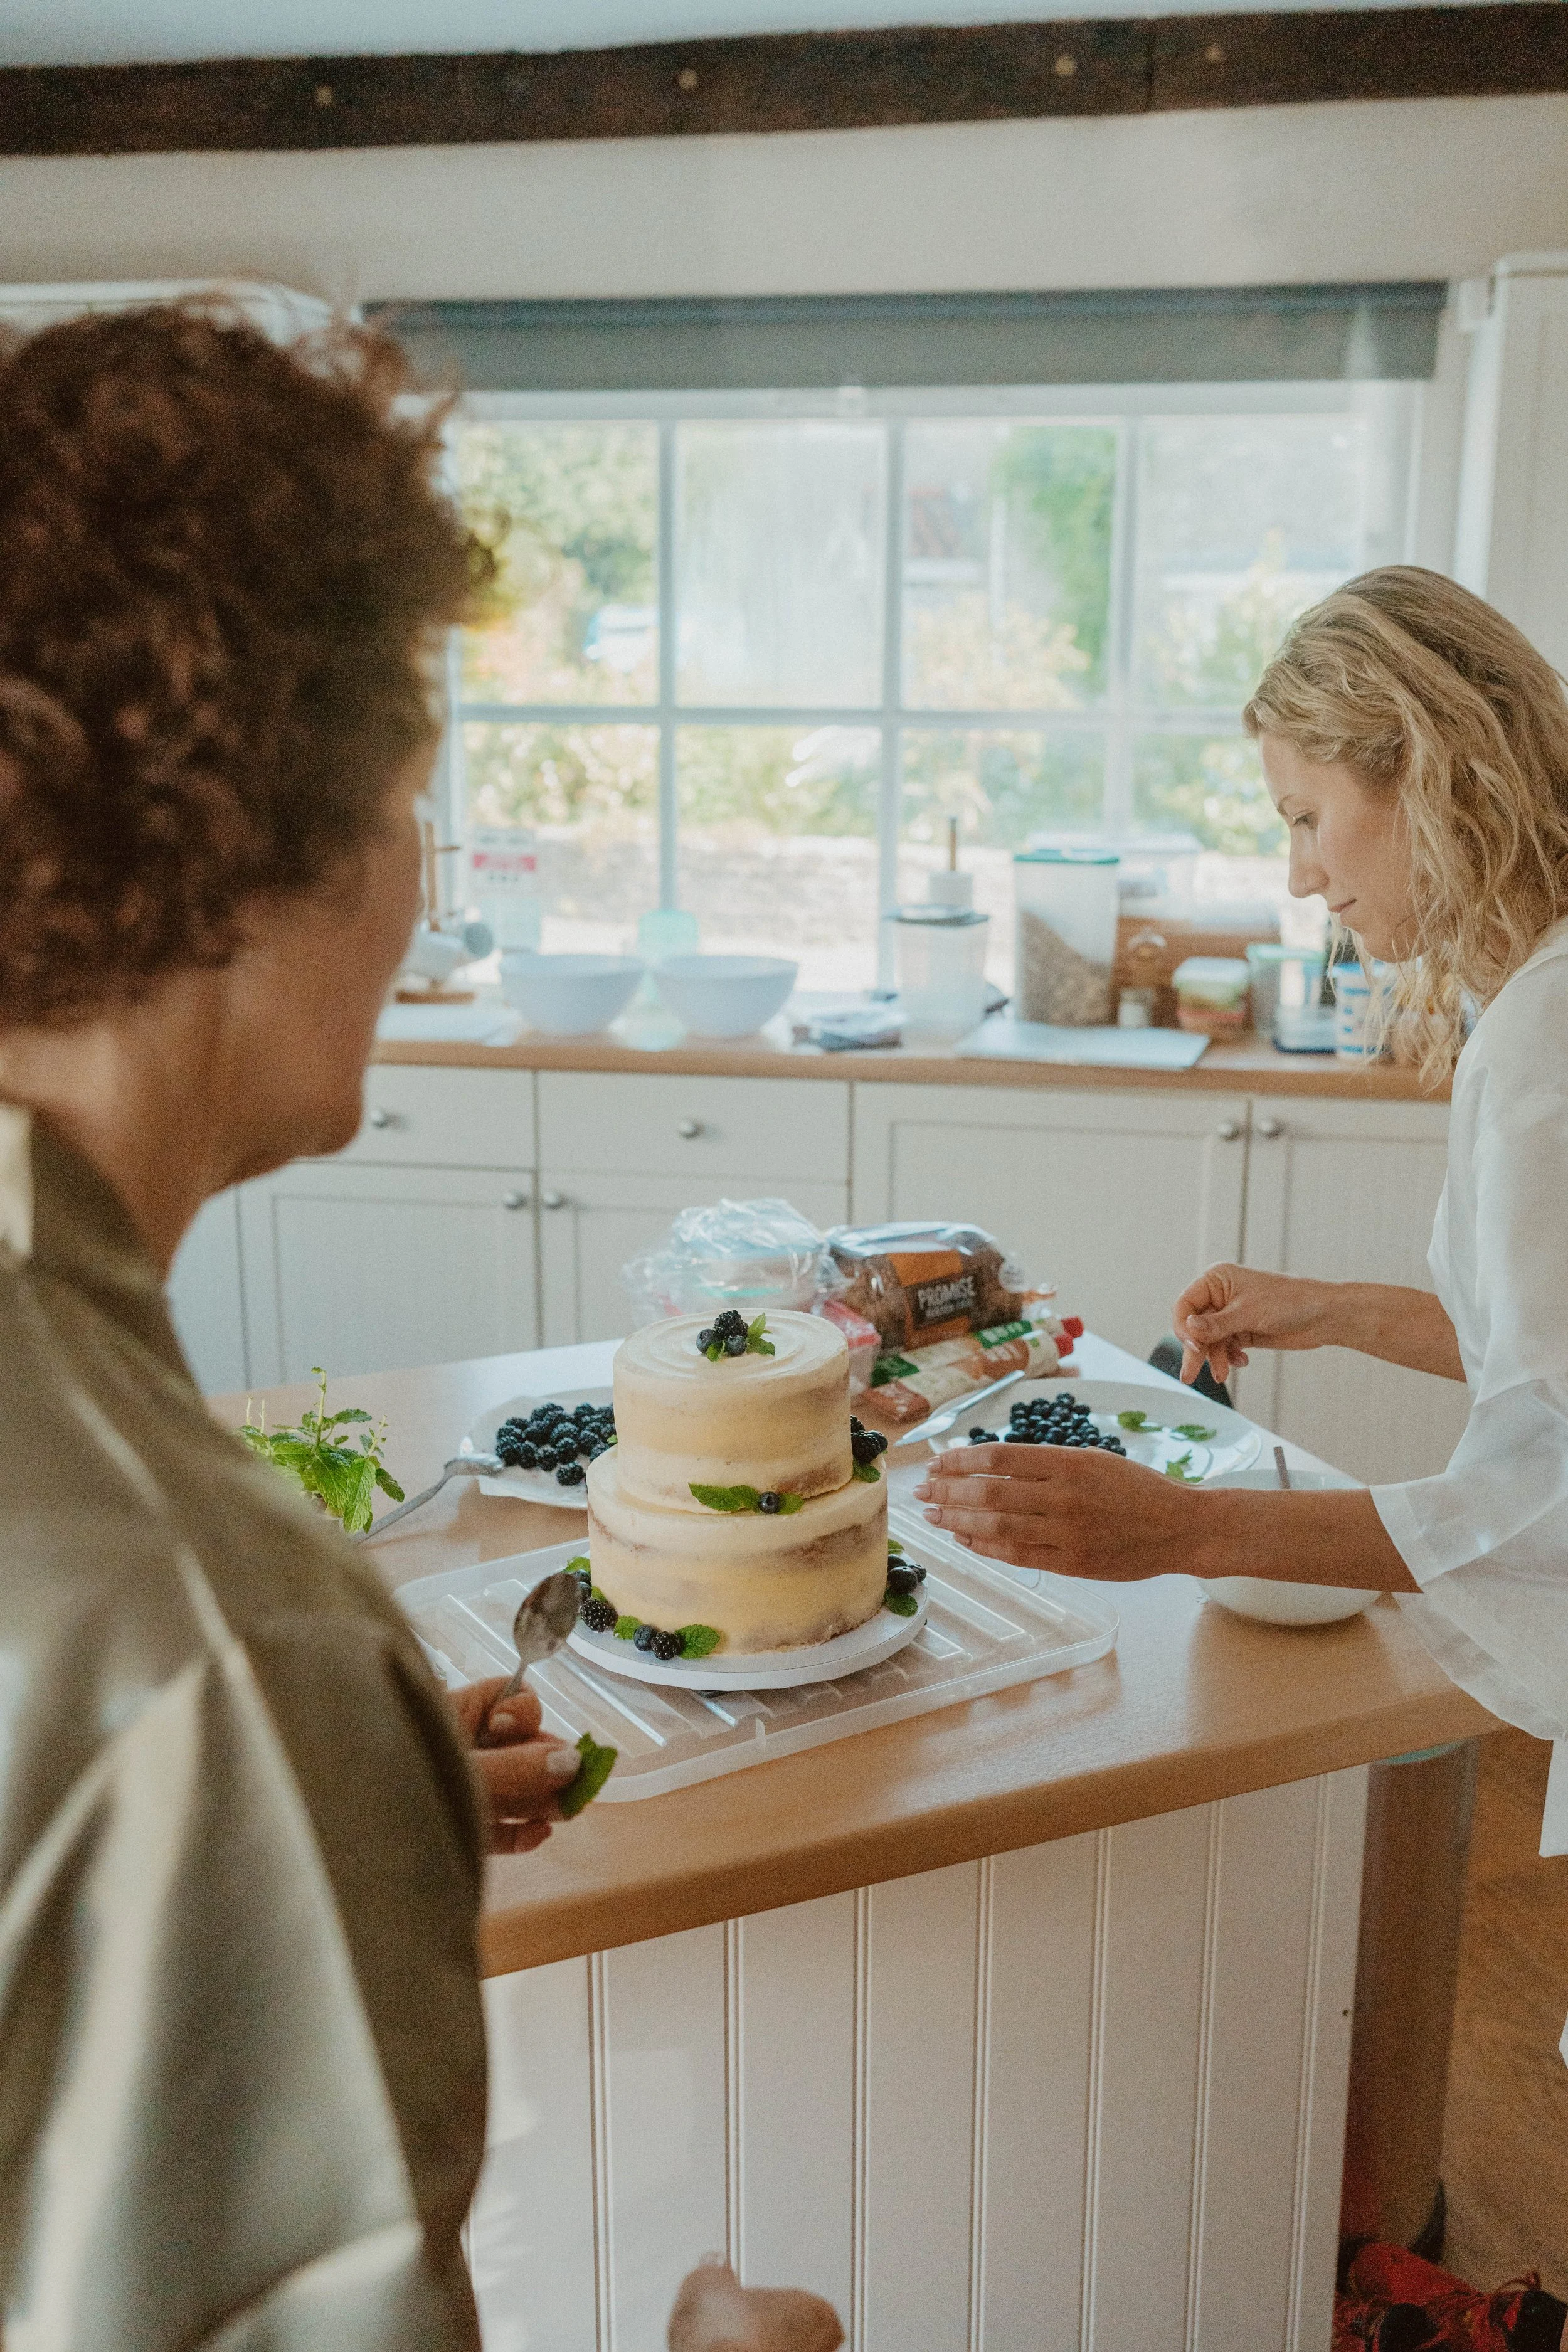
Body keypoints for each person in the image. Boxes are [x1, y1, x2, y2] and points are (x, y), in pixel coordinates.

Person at [0, 304, 837, 2352]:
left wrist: (303, 1838)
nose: (415, 885)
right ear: (261, 831)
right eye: (406, 802)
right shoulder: (228, 1649)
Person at [916, 567, 1568, 1903]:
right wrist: (1325, 1308)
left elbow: (1540, 1505)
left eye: (1307, 817)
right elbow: (1542, 1359)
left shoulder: (1545, 1041)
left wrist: (1178, 1531)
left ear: (1429, 771)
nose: (1300, 875)